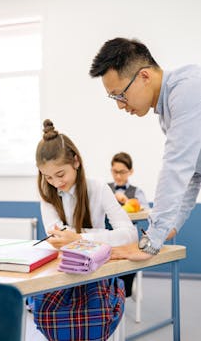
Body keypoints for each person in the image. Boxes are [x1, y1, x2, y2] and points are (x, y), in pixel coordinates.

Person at [89, 37, 201, 260]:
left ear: (144, 76)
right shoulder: (166, 112)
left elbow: (176, 168)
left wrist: (152, 240)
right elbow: (194, 174)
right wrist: (171, 225)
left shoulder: (187, 88)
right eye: (114, 98)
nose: (120, 105)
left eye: (120, 94)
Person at [32, 119, 138, 341]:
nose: (55, 182)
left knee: (95, 318)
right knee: (46, 314)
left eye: (60, 174)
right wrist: (80, 237)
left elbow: (129, 234)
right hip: (63, 273)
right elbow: (56, 236)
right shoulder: (48, 194)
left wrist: (78, 237)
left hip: (95, 273)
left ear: (76, 162)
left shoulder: (98, 188)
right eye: (48, 177)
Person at [106, 151, 149, 296]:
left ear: (130, 171)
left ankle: (123, 292)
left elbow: (146, 212)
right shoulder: (104, 189)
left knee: (125, 275)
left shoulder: (137, 192)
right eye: (115, 171)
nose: (118, 176)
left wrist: (128, 202)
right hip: (106, 238)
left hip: (128, 240)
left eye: (122, 172)